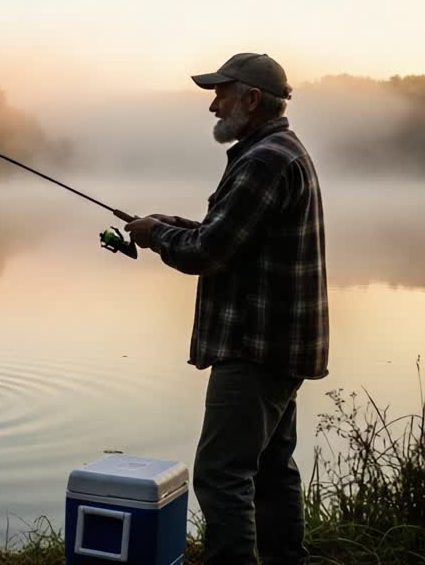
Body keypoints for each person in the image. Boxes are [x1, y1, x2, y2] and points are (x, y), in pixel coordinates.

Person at [124, 53, 328, 565]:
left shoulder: (264, 160)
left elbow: (208, 252)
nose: (213, 105)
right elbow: (232, 234)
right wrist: (168, 222)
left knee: (222, 473)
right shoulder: (275, 151)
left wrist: (157, 237)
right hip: (280, 344)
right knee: (272, 469)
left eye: (221, 93)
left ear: (252, 99)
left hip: (254, 346)